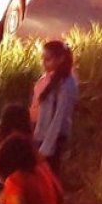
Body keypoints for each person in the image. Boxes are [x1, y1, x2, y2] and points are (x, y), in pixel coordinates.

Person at [30, 40, 78, 175]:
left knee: (49, 176)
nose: (44, 63)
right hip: (40, 133)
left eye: (48, 59)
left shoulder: (66, 85)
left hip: (52, 140)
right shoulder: (49, 78)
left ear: (61, 59)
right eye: (43, 59)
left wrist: (45, 149)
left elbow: (59, 119)